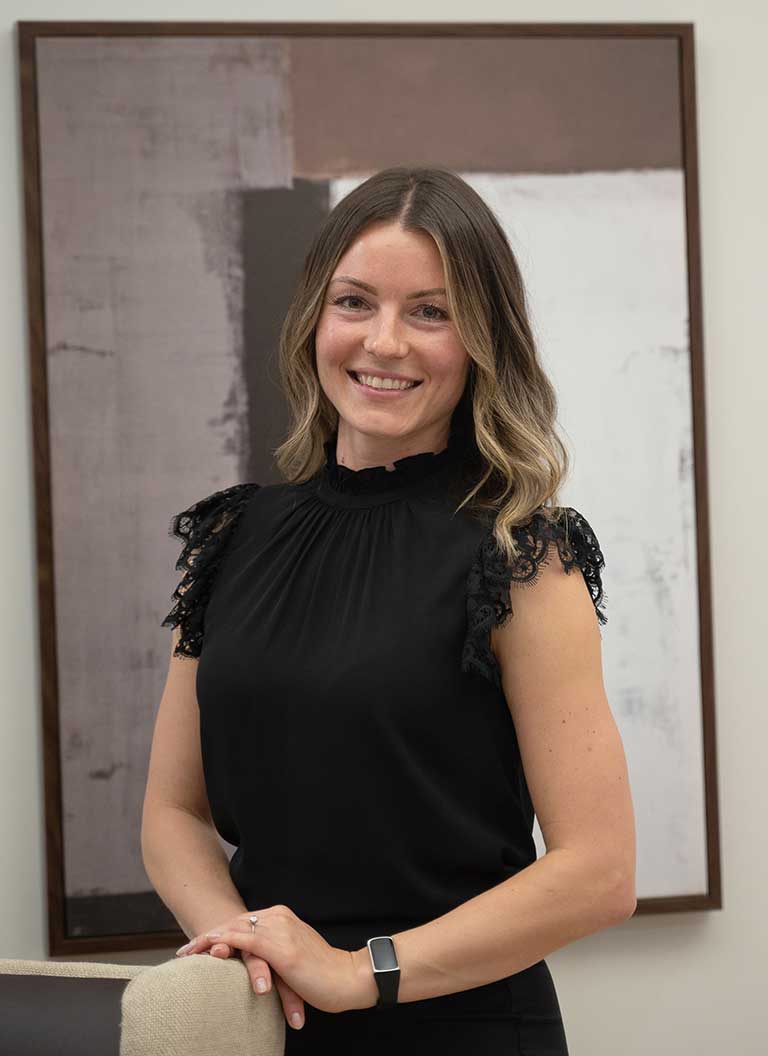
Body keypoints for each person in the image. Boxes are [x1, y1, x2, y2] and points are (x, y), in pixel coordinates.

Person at [142, 166, 636, 1055]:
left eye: (430, 312)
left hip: (461, 1029)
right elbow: (173, 812)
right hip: (269, 1020)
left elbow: (599, 872)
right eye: (355, 302)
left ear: (482, 339)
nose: (385, 341)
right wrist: (244, 947)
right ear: (315, 318)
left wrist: (357, 971)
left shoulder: (523, 553)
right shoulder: (231, 537)